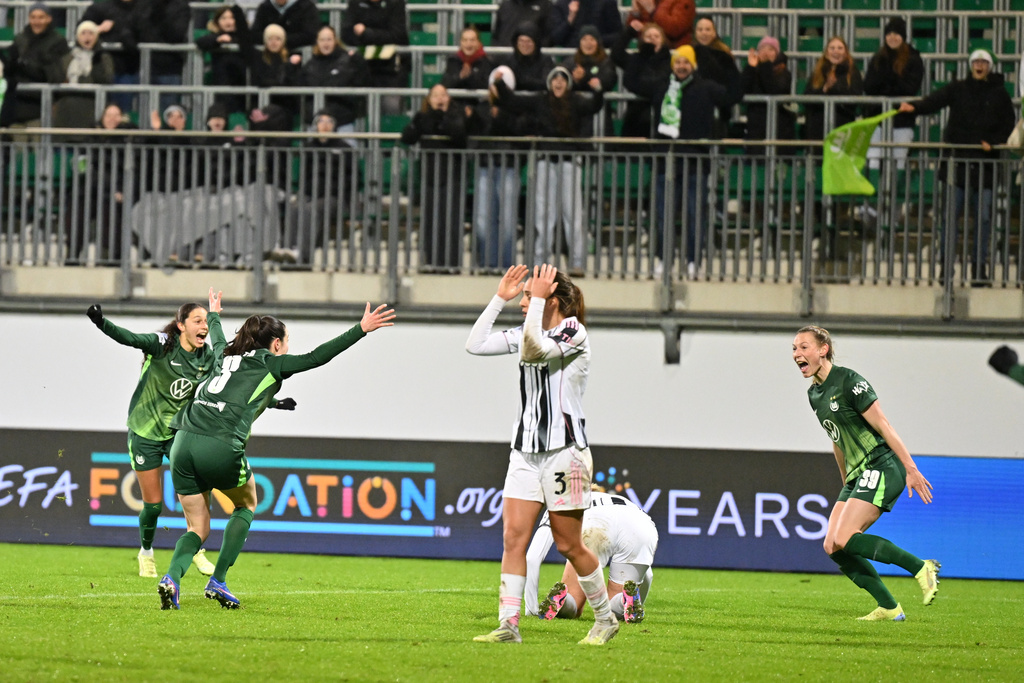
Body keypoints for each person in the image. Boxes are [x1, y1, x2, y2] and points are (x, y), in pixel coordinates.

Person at [157, 302, 396, 609]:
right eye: (286, 341)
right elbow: (316, 358)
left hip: (182, 442)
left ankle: (171, 579)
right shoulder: (271, 362)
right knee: (245, 504)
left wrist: (215, 315)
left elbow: (220, 345)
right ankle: (218, 581)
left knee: (198, 528)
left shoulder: (225, 354)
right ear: (277, 343)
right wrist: (360, 329)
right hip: (219, 444)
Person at [467, 263, 619, 646]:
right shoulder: (528, 327)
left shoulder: (573, 331)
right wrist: (498, 299)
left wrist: (535, 305)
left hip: (565, 453)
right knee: (513, 539)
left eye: (528, 295)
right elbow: (476, 344)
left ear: (552, 299)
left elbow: (536, 347)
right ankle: (509, 625)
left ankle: (604, 619)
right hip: (525, 452)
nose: (523, 302)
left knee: (569, 544)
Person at [792, 325, 939, 622]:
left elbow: (884, 425)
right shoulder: (815, 395)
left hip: (881, 464)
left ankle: (921, 567)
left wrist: (910, 468)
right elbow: (836, 438)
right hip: (858, 473)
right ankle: (889, 607)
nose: (797, 354)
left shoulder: (850, 381)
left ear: (823, 349)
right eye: (794, 349)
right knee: (832, 545)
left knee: (846, 537)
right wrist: (845, 477)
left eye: (804, 347)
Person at [86, 289, 226, 579]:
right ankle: (146, 552)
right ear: (181, 326)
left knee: (198, 490)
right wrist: (102, 322)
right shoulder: (162, 345)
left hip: (179, 434)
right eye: (197, 321)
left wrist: (272, 402)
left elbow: (228, 385)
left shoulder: (207, 357)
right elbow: (130, 338)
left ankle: (196, 548)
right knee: (153, 505)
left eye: (206, 321)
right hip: (146, 432)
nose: (203, 327)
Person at [898, 49, 1014, 285]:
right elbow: (935, 101)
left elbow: (1007, 125)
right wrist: (915, 107)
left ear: (989, 66)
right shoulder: (958, 88)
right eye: (976, 61)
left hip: (985, 168)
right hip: (957, 166)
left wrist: (992, 143)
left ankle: (979, 268)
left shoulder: (1000, 94)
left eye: (983, 62)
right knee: (950, 219)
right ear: (971, 65)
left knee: (982, 219)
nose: (979, 65)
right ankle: (946, 268)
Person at [494, 66, 603, 274]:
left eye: (563, 79)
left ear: (568, 83)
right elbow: (513, 101)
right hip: (545, 162)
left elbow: (594, 106)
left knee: (573, 214)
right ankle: (541, 262)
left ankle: (577, 261)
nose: (559, 83)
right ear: (550, 83)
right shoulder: (541, 101)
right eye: (555, 79)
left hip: (570, 162)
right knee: (544, 213)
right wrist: (500, 83)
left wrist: (598, 90)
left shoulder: (576, 101)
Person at [638, 45, 730, 279]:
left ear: (693, 65)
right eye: (678, 62)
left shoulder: (706, 88)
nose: (681, 66)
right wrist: (654, 51)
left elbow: (733, 94)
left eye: (686, 62)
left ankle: (692, 261)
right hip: (665, 163)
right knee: (661, 214)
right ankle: (663, 259)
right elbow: (633, 80)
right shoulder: (661, 86)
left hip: (695, 163)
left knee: (694, 214)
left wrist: (719, 58)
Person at [526, 488, 658, 623]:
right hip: (640, 524)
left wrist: (531, 610)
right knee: (615, 606)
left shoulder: (565, 502)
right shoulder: (624, 501)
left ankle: (563, 600)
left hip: (594, 522)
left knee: (574, 603)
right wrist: (639, 602)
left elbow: (532, 558)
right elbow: (648, 574)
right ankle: (624, 600)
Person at [401, 84, 469, 272]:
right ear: (429, 100)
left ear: (449, 98)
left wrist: (445, 117)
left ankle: (451, 264)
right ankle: (430, 261)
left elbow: (460, 138)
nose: (439, 99)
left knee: (451, 220)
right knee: (431, 220)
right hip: (430, 175)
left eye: (443, 95)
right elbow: (407, 137)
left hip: (452, 175)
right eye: (435, 95)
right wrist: (424, 120)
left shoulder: (456, 116)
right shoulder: (423, 117)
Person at [467, 67, 526, 272]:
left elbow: (520, 132)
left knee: (508, 220)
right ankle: (487, 263)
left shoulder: (517, 108)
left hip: (509, 166)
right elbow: (477, 133)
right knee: (484, 219)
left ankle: (507, 266)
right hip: (485, 166)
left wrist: (501, 116)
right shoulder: (482, 107)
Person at [64, 103, 137, 264]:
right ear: (102, 118)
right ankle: (73, 255)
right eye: (108, 115)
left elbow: (130, 170)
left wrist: (120, 190)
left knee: (111, 213)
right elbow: (80, 167)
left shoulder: (127, 139)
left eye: (116, 115)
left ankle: (110, 257)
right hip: (89, 188)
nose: (111, 119)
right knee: (77, 207)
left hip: (113, 192)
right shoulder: (90, 137)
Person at [863, 18, 924, 172]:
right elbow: (869, 86)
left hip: (902, 121)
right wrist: (892, 83)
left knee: (898, 163)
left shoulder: (914, 59)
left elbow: (910, 89)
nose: (892, 37)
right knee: (873, 161)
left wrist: (888, 82)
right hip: (878, 120)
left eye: (896, 33)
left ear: (903, 36)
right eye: (889, 33)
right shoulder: (877, 58)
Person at [340, 0, 410, 116]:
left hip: (391, 71)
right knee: (360, 112)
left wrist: (366, 34)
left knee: (391, 111)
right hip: (362, 68)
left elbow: (397, 35)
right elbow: (346, 34)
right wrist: (376, 37)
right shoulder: (355, 3)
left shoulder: (396, 3)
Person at [6, 2, 70, 126]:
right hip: (17, 104)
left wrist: (36, 66)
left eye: (41, 17)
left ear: (49, 18)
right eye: (33, 17)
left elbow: (58, 75)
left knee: (38, 142)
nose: (36, 21)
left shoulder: (58, 41)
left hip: (42, 105)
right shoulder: (20, 39)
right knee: (17, 142)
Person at [301, 26, 371, 137]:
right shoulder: (310, 65)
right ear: (317, 42)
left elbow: (361, 82)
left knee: (347, 151)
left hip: (342, 120)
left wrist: (360, 64)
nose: (326, 43)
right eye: (322, 40)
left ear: (335, 41)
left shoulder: (348, 62)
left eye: (329, 39)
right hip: (315, 121)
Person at [611, 21, 670, 139]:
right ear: (642, 40)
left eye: (656, 36)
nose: (653, 39)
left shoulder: (670, 61)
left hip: (660, 115)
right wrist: (629, 32)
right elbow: (616, 54)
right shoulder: (635, 59)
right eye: (648, 37)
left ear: (663, 40)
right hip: (636, 117)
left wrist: (638, 85)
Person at [53, 21, 115, 131]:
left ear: (96, 36)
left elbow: (105, 80)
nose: (87, 37)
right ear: (78, 36)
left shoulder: (103, 57)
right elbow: (58, 79)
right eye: (83, 33)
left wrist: (96, 58)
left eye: (91, 33)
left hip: (92, 104)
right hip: (68, 107)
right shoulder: (68, 57)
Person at [741, 35, 796, 155]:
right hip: (755, 126)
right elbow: (742, 89)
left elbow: (773, 90)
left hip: (778, 126)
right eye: (762, 49)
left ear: (777, 53)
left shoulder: (783, 73)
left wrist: (765, 66)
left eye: (770, 49)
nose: (765, 52)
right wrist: (750, 67)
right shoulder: (753, 69)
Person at [195, 4, 253, 117]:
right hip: (222, 88)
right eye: (224, 18)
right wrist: (218, 40)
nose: (228, 21)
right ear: (217, 22)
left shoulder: (246, 36)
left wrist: (233, 41)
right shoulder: (214, 37)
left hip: (243, 88)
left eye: (232, 17)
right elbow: (200, 42)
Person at [803, 36, 863, 143]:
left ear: (846, 52)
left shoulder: (853, 72)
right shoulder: (818, 71)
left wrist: (835, 87)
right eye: (832, 48)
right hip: (818, 127)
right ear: (826, 52)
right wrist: (825, 88)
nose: (836, 51)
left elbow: (856, 96)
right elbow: (807, 98)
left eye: (840, 48)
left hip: (843, 126)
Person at [691, 16, 742, 137]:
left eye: (708, 29)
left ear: (714, 33)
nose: (704, 33)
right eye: (700, 29)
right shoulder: (687, 54)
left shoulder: (724, 57)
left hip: (717, 115)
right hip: (692, 114)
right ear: (695, 33)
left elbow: (733, 85)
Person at [563, 24, 616, 137]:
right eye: (584, 39)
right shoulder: (571, 61)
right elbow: (561, 78)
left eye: (592, 39)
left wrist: (584, 77)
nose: (588, 43)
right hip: (576, 112)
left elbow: (608, 80)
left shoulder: (605, 61)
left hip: (599, 111)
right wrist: (573, 80)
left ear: (598, 42)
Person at [248, 23, 303, 122]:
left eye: (278, 39)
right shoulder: (259, 58)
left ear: (283, 41)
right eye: (270, 39)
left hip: (285, 109)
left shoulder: (291, 61)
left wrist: (291, 67)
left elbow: (293, 87)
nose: (274, 42)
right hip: (261, 105)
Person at [440, 26, 494, 106]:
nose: (468, 44)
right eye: (465, 40)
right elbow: (445, 84)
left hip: (478, 108)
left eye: (472, 40)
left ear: (478, 43)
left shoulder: (486, 62)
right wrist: (460, 77)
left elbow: (486, 86)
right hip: (455, 108)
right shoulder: (453, 61)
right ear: (461, 43)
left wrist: (470, 77)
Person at [249, 0, 320, 51]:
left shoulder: (306, 7)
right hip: (268, 60)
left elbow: (310, 35)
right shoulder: (265, 7)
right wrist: (270, 39)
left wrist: (282, 40)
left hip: (298, 58)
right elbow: (255, 34)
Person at [504, 22, 555, 93]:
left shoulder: (545, 61)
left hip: (538, 101)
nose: (525, 45)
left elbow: (546, 83)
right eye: (521, 41)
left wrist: (521, 81)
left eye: (529, 41)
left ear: (536, 43)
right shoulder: (510, 60)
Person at [550, 0, 621, 49]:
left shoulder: (607, 2)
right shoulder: (561, 4)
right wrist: (570, 19)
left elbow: (618, 36)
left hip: (600, 59)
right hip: (571, 59)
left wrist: (595, 41)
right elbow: (556, 39)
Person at [626, 0, 695, 49]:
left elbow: (675, 29)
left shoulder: (684, 1)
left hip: (674, 52)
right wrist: (635, 13)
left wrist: (653, 11)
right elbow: (630, 30)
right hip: (645, 50)